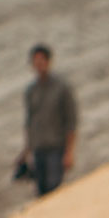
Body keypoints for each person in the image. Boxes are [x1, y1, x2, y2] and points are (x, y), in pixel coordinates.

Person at [15, 45, 79, 197]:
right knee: (41, 191)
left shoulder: (62, 88)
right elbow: (29, 122)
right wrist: (26, 151)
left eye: (41, 60)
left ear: (49, 61)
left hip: (56, 148)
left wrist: (69, 153)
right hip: (38, 150)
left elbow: (71, 121)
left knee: (54, 190)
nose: (39, 64)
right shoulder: (31, 91)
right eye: (35, 61)